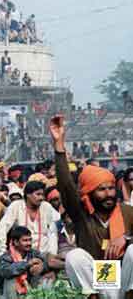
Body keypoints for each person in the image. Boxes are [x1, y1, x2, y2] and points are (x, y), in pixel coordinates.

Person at [49, 115, 133, 299]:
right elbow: (65, 186)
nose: (109, 194)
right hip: (98, 279)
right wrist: (59, 147)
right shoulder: (81, 213)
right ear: (89, 193)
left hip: (125, 281)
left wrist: (126, 239)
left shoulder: (127, 211)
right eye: (101, 190)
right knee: (75, 256)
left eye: (111, 188)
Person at [0, 180, 60, 256]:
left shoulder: (46, 206)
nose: (41, 198)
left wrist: (52, 253)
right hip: (20, 254)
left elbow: (58, 224)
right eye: (38, 194)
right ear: (28, 195)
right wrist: (3, 250)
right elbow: (1, 229)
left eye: (42, 195)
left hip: (44, 253)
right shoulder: (16, 206)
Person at [0, 226, 48, 299]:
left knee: (44, 274)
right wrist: (27, 264)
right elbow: (6, 271)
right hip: (11, 293)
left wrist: (41, 267)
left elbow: (45, 262)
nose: (29, 243)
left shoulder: (34, 253)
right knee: (10, 278)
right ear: (16, 242)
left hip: (30, 289)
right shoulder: (5, 257)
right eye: (25, 240)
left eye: (30, 240)